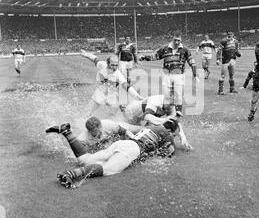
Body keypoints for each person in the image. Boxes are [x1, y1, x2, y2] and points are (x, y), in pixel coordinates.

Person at [47, 118, 180, 189]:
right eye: (174, 134)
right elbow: (170, 153)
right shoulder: (167, 133)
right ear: (169, 130)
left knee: (86, 160)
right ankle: (70, 174)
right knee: (109, 169)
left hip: (121, 144)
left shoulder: (151, 127)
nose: (174, 136)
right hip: (132, 148)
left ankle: (66, 132)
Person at [80, 50, 143, 116]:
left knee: (114, 110)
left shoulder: (118, 75)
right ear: (107, 63)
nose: (114, 67)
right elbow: (95, 59)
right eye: (112, 65)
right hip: (101, 90)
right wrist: (86, 54)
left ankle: (115, 115)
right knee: (95, 103)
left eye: (116, 65)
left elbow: (126, 86)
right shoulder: (102, 65)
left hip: (112, 92)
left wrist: (137, 96)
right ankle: (88, 115)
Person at [122, 94, 193, 150]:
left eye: (173, 104)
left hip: (143, 114)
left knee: (150, 130)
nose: (171, 107)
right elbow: (147, 116)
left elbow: (175, 123)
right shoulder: (155, 101)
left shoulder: (171, 104)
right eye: (170, 104)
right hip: (132, 112)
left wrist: (183, 138)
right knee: (131, 134)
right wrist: (163, 120)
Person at [153, 31, 200, 113]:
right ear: (172, 38)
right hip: (167, 76)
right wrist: (143, 58)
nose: (177, 42)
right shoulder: (165, 48)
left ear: (181, 40)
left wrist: (195, 75)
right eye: (175, 40)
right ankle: (168, 114)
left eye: (179, 40)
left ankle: (178, 115)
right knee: (167, 97)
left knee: (178, 96)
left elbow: (192, 62)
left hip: (179, 76)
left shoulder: (185, 50)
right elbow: (155, 56)